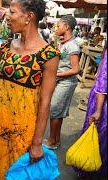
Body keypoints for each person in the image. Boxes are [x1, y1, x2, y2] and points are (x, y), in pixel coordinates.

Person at [0, 0, 60, 179]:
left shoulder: (49, 54)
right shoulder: (7, 46)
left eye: (12, 12)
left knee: (15, 171)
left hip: (24, 128)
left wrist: (37, 143)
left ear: (28, 17)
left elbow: (45, 102)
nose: (7, 17)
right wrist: (2, 87)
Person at [43, 15, 80, 150]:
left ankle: (52, 141)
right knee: (58, 111)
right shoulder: (63, 42)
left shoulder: (72, 46)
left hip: (66, 82)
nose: (56, 28)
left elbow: (76, 69)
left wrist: (56, 74)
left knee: (54, 110)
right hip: (60, 81)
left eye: (58, 26)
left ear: (67, 27)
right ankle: (56, 139)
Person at [73, 48, 107, 179]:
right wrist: (98, 111)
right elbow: (102, 85)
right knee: (98, 138)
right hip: (102, 104)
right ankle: (90, 171)